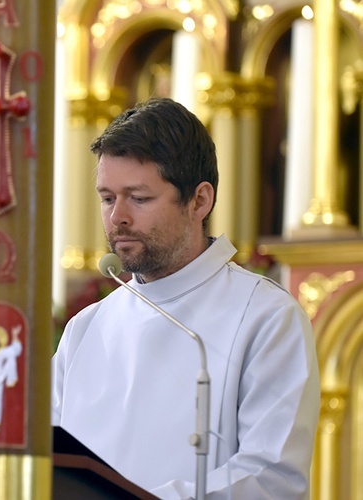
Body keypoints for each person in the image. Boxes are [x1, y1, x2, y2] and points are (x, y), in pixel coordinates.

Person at [51, 97, 320, 499]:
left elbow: (271, 477)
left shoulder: (266, 317)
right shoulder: (84, 329)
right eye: (108, 198)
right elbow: (49, 458)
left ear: (199, 200)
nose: (117, 217)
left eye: (139, 198)